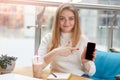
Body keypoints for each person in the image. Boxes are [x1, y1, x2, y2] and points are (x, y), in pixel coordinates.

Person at [38, 3, 96, 78]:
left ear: (76, 21)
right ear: (57, 20)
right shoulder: (48, 38)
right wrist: (56, 52)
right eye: (62, 18)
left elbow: (92, 72)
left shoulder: (85, 40)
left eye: (71, 18)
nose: (66, 23)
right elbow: (37, 65)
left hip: (78, 77)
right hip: (56, 77)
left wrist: (85, 62)